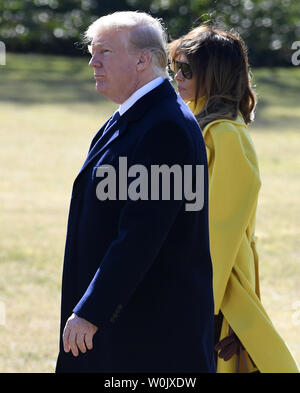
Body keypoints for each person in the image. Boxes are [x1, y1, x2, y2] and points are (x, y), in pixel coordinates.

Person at [55, 11, 216, 373]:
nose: (93, 62)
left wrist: (92, 310)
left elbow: (140, 237)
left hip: (148, 334)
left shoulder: (165, 127)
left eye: (105, 52)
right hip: (126, 325)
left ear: (143, 60)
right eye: (92, 52)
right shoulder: (132, 114)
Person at [169, 24, 299, 373]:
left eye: (187, 69)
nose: (177, 77)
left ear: (215, 75)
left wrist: (198, 305)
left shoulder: (226, 135)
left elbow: (219, 229)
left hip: (219, 288)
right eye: (175, 67)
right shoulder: (200, 125)